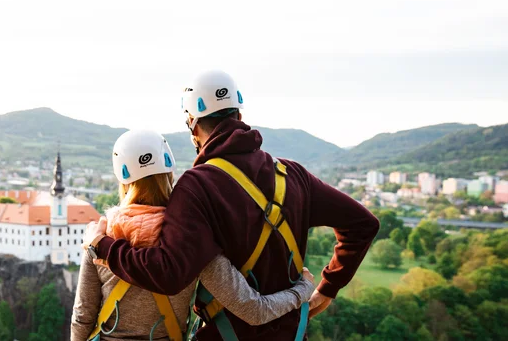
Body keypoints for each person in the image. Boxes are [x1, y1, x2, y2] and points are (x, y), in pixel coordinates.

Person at [83, 70, 380, 340]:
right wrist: (327, 287)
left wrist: (105, 247)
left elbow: (170, 274)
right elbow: (363, 224)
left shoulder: (196, 187)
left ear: (192, 124)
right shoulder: (292, 175)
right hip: (293, 334)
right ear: (239, 114)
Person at [72, 130, 315, 341]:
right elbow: (253, 310)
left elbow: (82, 318)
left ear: (122, 179)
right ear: (170, 172)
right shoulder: (194, 240)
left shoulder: (100, 238)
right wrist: (301, 291)